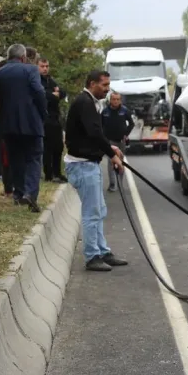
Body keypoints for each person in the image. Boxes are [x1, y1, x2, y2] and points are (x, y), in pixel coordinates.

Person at [64, 70, 128, 272]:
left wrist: (111, 147)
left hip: (88, 163)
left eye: (109, 85)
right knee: (92, 213)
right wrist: (113, 155)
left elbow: (95, 134)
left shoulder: (91, 103)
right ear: (92, 84)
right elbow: (94, 132)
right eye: (104, 85)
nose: (108, 90)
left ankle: (102, 251)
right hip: (82, 165)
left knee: (99, 211)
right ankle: (92, 256)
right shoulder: (85, 102)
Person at [0, 44, 48, 212]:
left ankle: (18, 194)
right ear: (23, 57)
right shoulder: (30, 70)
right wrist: (43, 112)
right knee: (34, 158)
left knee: (15, 159)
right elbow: (39, 92)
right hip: (31, 120)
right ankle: (30, 194)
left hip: (7, 123)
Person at [39, 57, 68, 183]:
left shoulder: (50, 80)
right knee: (47, 148)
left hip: (55, 118)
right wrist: (53, 95)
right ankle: (49, 174)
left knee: (58, 147)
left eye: (46, 66)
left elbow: (62, 92)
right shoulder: (37, 80)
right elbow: (42, 95)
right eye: (42, 66)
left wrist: (56, 94)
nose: (45, 69)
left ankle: (58, 172)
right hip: (45, 119)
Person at [101, 91, 133, 192]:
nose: (115, 101)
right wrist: (104, 138)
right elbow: (100, 126)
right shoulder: (105, 112)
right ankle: (112, 184)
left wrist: (126, 134)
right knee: (111, 162)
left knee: (121, 161)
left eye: (117, 99)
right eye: (113, 99)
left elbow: (131, 123)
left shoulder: (124, 111)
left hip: (121, 141)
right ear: (110, 100)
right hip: (110, 141)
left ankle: (120, 183)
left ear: (120, 100)